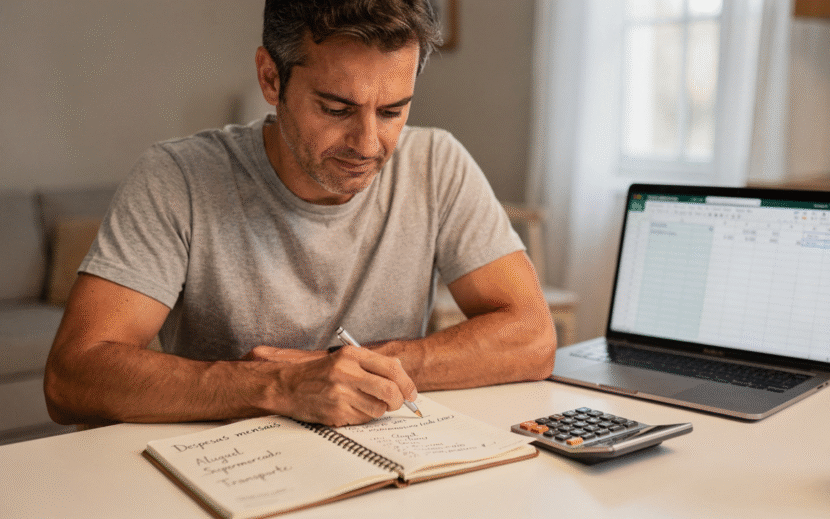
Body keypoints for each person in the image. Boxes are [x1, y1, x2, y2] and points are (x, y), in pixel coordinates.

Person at [44, 0, 556, 428]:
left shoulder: (436, 163)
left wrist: (345, 368)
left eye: (393, 111)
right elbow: (71, 376)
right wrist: (281, 384)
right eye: (336, 109)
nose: (368, 144)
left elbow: (533, 337)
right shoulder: (176, 177)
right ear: (271, 78)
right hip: (231, 474)